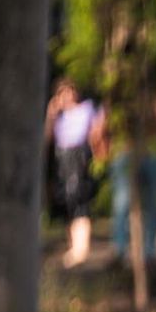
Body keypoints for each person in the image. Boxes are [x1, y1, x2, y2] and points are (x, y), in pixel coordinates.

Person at [47, 80, 106, 268]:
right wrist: (51, 115)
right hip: (63, 159)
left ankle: (81, 249)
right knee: (68, 201)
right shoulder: (59, 117)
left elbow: (98, 127)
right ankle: (74, 246)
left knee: (80, 200)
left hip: (80, 157)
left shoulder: (86, 109)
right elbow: (47, 138)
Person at [111, 91, 156, 264]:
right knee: (122, 203)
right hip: (124, 151)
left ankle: (149, 251)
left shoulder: (155, 88)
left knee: (151, 203)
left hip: (152, 151)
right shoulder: (117, 88)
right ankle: (120, 248)